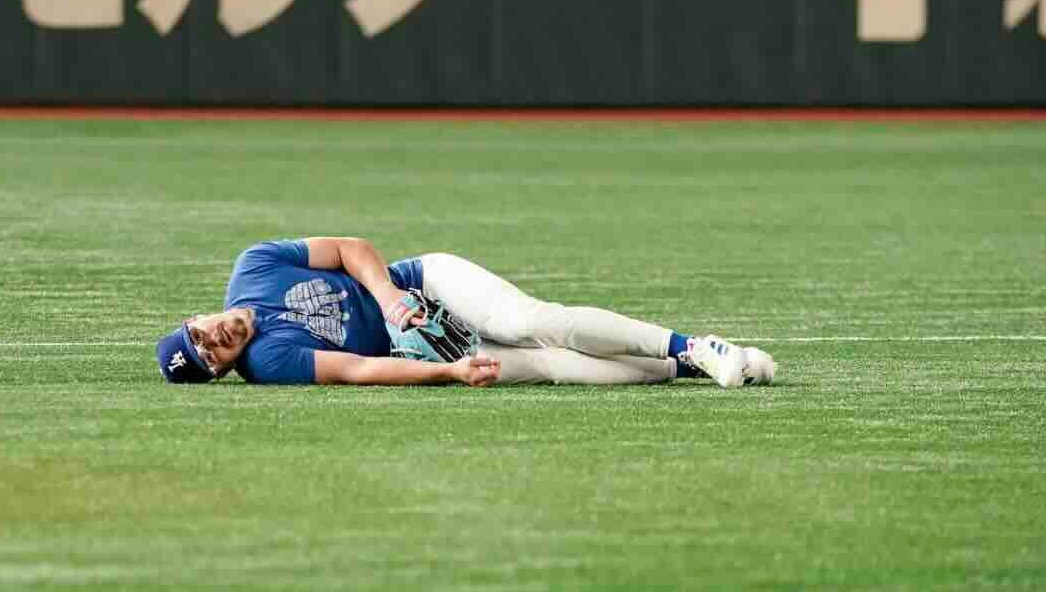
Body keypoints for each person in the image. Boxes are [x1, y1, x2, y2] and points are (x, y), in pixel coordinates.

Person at [154, 236, 776, 389]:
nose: (214, 340)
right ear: (224, 370)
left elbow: (349, 248)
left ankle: (690, 344)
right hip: (428, 347)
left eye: (198, 335)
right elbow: (358, 370)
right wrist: (448, 372)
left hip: (428, 284)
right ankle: (696, 367)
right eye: (210, 358)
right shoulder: (267, 362)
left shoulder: (253, 267)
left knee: (531, 322)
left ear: (193, 317)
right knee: (558, 368)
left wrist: (389, 297)